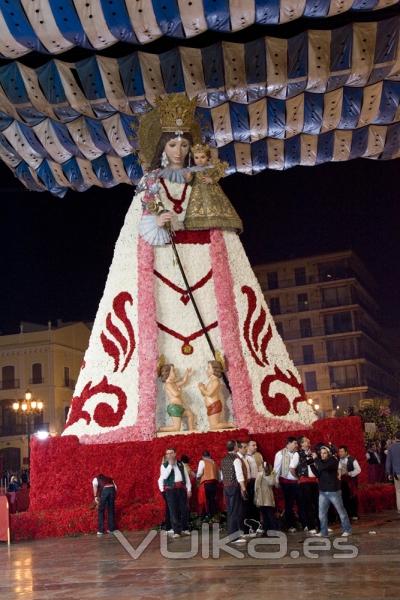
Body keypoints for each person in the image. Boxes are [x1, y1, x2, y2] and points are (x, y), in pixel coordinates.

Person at [63, 93, 315, 442]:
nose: (179, 151)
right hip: (162, 273)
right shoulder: (149, 188)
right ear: (161, 148)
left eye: (184, 143)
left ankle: (221, 410)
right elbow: (137, 240)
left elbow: (221, 233)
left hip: (207, 277)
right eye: (173, 144)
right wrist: (159, 223)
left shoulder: (204, 185)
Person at [184, 143, 243, 232]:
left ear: (207, 157)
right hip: (198, 193)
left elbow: (217, 175)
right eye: (196, 158)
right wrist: (188, 175)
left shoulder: (211, 167)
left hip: (212, 192)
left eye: (202, 157)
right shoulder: (194, 169)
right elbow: (189, 180)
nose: (199, 160)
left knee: (215, 208)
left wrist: (211, 179)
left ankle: (217, 227)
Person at [310, 446, 352, 537]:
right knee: (321, 514)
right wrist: (311, 464)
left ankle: (347, 529)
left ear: (328, 453)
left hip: (334, 491)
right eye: (321, 453)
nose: (322, 455)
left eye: (324, 453)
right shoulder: (320, 462)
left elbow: (323, 467)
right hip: (322, 491)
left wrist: (316, 459)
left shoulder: (333, 460)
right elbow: (318, 474)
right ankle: (324, 532)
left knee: (341, 511)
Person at [158, 447, 192, 538]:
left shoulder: (181, 464)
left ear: (175, 454)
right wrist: (170, 465)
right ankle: (177, 531)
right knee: (173, 511)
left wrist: (189, 489)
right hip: (170, 490)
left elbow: (186, 477)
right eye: (167, 453)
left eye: (171, 453)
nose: (169, 455)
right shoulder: (164, 465)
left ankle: (185, 528)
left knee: (184, 510)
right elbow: (164, 477)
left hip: (181, 489)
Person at [289, 436, 319, 534]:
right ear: (301, 444)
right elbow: (292, 468)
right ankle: (311, 527)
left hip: (315, 481)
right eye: (306, 441)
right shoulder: (298, 454)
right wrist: (298, 477)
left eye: (308, 440)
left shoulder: (313, 453)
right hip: (304, 482)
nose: (308, 442)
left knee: (318, 503)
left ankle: (320, 525)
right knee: (308, 504)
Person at [220, 440, 247, 544]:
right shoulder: (236, 459)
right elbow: (239, 475)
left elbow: (222, 476)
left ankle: (233, 534)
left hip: (226, 487)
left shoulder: (223, 459)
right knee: (235, 511)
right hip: (234, 487)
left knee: (230, 511)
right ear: (235, 447)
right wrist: (243, 488)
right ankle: (234, 537)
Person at [198, 360, 235, 430]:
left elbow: (210, 394)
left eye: (209, 368)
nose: (207, 370)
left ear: (214, 370)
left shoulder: (216, 381)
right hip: (210, 406)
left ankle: (230, 424)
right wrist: (201, 388)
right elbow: (204, 394)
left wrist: (202, 389)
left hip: (214, 405)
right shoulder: (210, 381)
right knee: (213, 426)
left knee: (214, 426)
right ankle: (227, 426)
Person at [158, 364, 195, 432]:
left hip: (179, 407)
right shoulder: (168, 385)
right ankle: (161, 429)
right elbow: (175, 394)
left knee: (190, 414)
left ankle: (191, 429)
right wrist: (179, 391)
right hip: (174, 408)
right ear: (168, 373)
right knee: (176, 428)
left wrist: (186, 373)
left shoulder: (173, 384)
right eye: (173, 371)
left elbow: (184, 381)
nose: (175, 372)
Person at [273, 437, 299, 532]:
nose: (297, 445)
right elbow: (276, 469)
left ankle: (302, 523)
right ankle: (290, 525)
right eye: (295, 443)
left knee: (300, 502)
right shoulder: (280, 454)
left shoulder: (297, 453)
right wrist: (275, 481)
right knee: (289, 504)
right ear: (288, 444)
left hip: (297, 481)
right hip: (286, 482)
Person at [254, 462, 280, 533]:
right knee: (265, 514)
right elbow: (256, 486)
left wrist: (266, 474)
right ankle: (267, 528)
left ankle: (273, 528)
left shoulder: (268, 475)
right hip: (262, 498)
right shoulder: (260, 474)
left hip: (266, 498)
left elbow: (271, 482)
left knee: (269, 514)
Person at [338, 445, 361, 520]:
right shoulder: (338, 460)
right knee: (344, 498)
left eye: (341, 451)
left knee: (353, 497)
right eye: (339, 451)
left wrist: (349, 473)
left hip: (351, 482)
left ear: (346, 452)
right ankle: (347, 514)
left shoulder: (352, 459)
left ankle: (354, 514)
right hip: (342, 482)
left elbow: (358, 470)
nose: (340, 453)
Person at [196, 450, 220, 520]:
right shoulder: (214, 462)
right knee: (212, 500)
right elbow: (219, 475)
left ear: (203, 456)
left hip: (206, 484)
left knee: (205, 500)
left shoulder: (202, 461)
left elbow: (199, 473)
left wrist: (197, 477)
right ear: (209, 456)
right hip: (214, 484)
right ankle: (213, 516)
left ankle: (205, 515)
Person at [246, 440, 264, 531]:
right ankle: (252, 525)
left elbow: (262, 468)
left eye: (256, 445)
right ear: (248, 446)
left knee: (258, 503)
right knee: (250, 503)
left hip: (259, 481)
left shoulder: (258, 455)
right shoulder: (244, 456)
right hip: (250, 482)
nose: (256, 447)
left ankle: (258, 524)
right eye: (253, 445)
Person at [386, 430, 400, 512]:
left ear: (395, 437)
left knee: (398, 491)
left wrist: (388, 473)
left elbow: (388, 461)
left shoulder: (391, 447)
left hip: (396, 473)